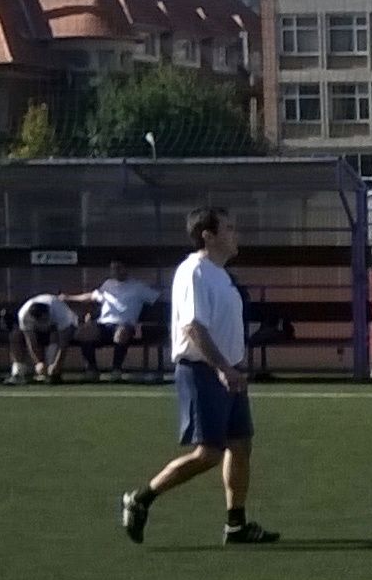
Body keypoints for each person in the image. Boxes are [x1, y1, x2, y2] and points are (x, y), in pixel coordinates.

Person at [118, 207, 278, 545]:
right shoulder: (194, 271)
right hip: (204, 371)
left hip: (228, 371)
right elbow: (193, 326)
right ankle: (140, 499)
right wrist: (222, 369)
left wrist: (232, 368)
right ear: (208, 235)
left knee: (240, 445)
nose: (235, 234)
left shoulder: (221, 275)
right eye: (228, 228)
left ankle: (236, 524)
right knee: (209, 453)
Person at [88, 261, 161, 382]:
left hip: (125, 325)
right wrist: (69, 297)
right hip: (104, 324)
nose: (115, 271)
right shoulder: (107, 284)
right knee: (85, 333)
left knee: (121, 333)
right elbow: (93, 296)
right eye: (113, 268)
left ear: (125, 269)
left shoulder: (137, 286)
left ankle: (116, 370)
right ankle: (92, 370)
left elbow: (157, 297)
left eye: (118, 268)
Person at [7, 292, 86, 384]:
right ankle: (18, 372)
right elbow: (30, 340)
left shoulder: (60, 313)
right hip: (38, 331)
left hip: (65, 329)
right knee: (16, 336)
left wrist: (56, 364)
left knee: (54, 334)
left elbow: (63, 342)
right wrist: (38, 362)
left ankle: (52, 371)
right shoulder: (23, 315)